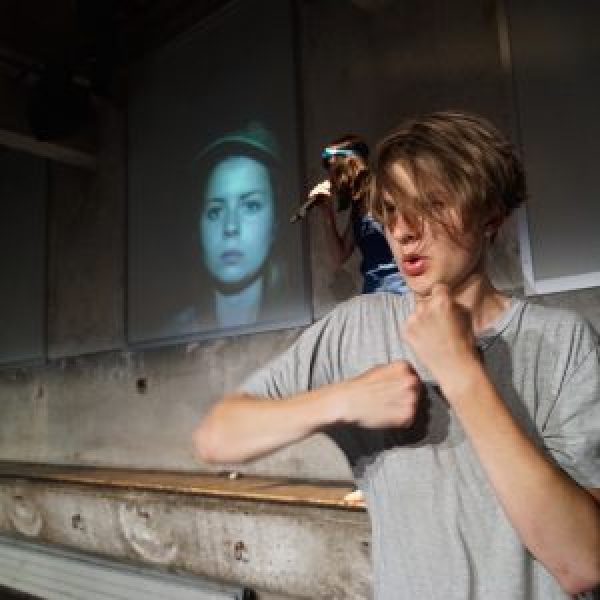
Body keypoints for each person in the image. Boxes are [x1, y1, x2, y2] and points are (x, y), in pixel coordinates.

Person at [193, 111, 600, 599]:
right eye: (389, 210)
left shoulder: (563, 342)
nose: (403, 231)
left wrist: (461, 373)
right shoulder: (357, 327)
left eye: (431, 205)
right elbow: (218, 436)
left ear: (491, 216)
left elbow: (582, 562)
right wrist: (342, 400)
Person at [172, 123, 289, 331]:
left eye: (251, 206)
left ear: (275, 223)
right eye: (215, 211)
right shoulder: (173, 333)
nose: (230, 227)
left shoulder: (306, 332)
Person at [309, 135, 408, 294]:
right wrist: (327, 212)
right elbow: (339, 257)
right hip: (373, 292)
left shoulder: (383, 190)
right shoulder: (358, 205)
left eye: (334, 171)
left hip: (401, 289)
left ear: (351, 164)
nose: (331, 179)